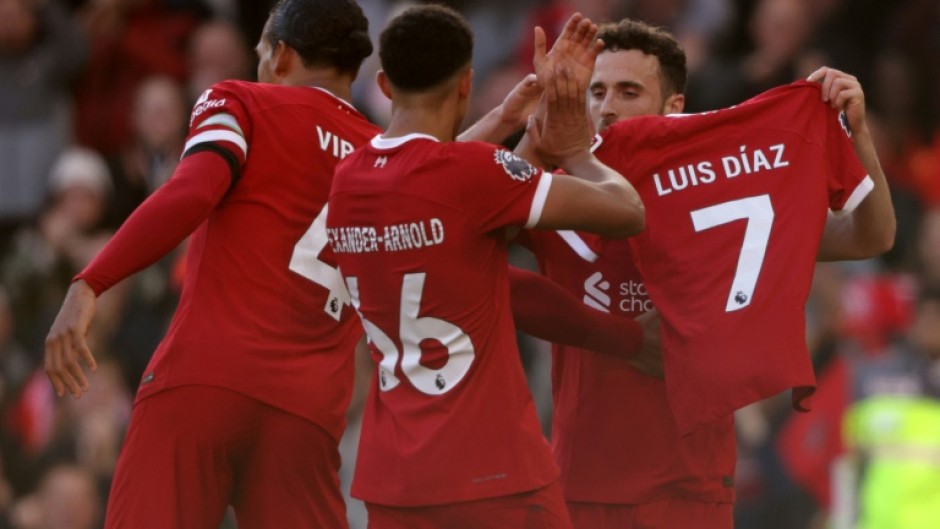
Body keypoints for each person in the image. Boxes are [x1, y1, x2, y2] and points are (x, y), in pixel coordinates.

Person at [516, 18, 895, 529]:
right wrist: (540, 128)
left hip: (691, 488)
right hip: (582, 483)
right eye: (595, 91)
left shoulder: (722, 197)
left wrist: (859, 133)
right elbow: (478, 227)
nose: (606, 107)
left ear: (673, 108)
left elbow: (870, 237)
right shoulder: (555, 194)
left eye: (629, 92)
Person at [43, 0, 377, 527]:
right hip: (308, 411)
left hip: (206, 379)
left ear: (283, 55)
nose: (257, 64)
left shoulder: (240, 99)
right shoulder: (386, 155)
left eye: (261, 52)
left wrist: (90, 283)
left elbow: (191, 191)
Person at [326, 6, 644, 528]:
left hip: (394, 482)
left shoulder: (349, 178)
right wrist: (575, 149)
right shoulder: (470, 176)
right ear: (466, 83)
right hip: (492, 474)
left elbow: (436, 186)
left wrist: (507, 118)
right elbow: (626, 212)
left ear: (383, 84)